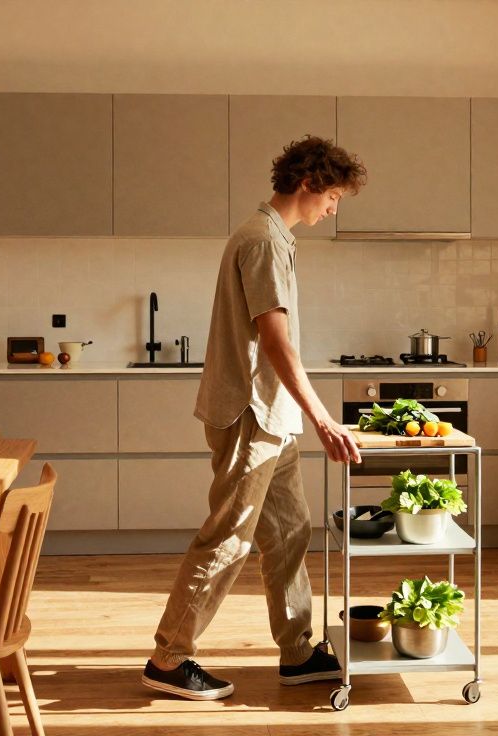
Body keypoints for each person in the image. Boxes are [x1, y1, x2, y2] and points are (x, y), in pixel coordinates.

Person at [141, 135, 368, 700]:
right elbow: (276, 342)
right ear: (310, 182)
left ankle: (297, 653)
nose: (334, 208)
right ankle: (168, 658)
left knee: (289, 530)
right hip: (251, 413)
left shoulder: (274, 237)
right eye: (334, 196)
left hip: (271, 414)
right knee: (229, 538)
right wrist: (323, 419)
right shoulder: (263, 240)